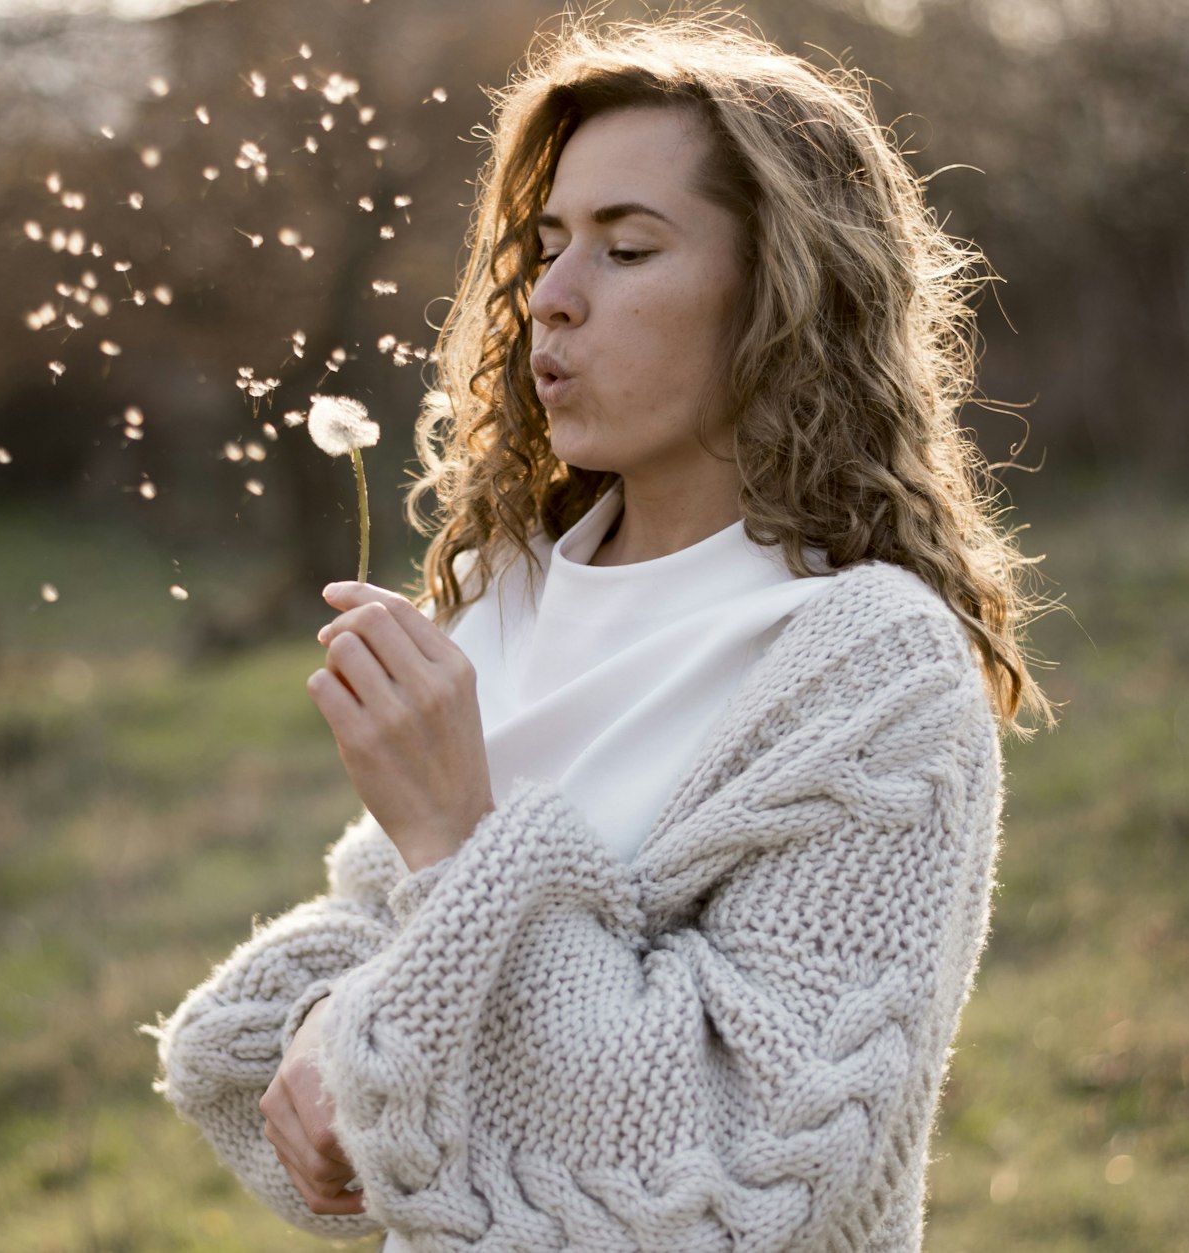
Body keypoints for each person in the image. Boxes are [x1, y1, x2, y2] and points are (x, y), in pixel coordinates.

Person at [144, 10, 1057, 1250]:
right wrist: (325, 1014)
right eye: (544, 247)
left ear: (782, 295)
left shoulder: (865, 669)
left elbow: (729, 1173)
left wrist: (455, 840)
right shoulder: (506, 587)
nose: (550, 303)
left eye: (626, 250)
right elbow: (361, 945)